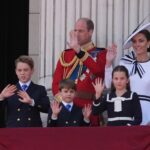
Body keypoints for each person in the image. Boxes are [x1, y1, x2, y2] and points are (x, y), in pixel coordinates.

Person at [52, 17, 109, 126]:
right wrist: (62, 101)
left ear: (90, 32)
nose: (77, 34)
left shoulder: (101, 53)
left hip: (87, 107)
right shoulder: (66, 54)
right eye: (75, 30)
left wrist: (79, 50)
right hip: (66, 107)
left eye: (81, 31)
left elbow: (98, 71)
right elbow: (56, 82)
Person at [105, 22, 150, 125]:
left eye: (141, 41)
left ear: (148, 43)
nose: (137, 44)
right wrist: (108, 63)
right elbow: (108, 84)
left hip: (147, 113)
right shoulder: (125, 62)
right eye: (134, 41)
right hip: (126, 113)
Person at [0, 55, 50, 127]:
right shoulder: (9, 90)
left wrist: (31, 102)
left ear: (32, 71)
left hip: (33, 130)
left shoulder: (39, 89)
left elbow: (47, 108)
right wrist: (1, 97)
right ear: (16, 72)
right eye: (19, 70)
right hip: (13, 130)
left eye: (25, 70)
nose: (22, 73)